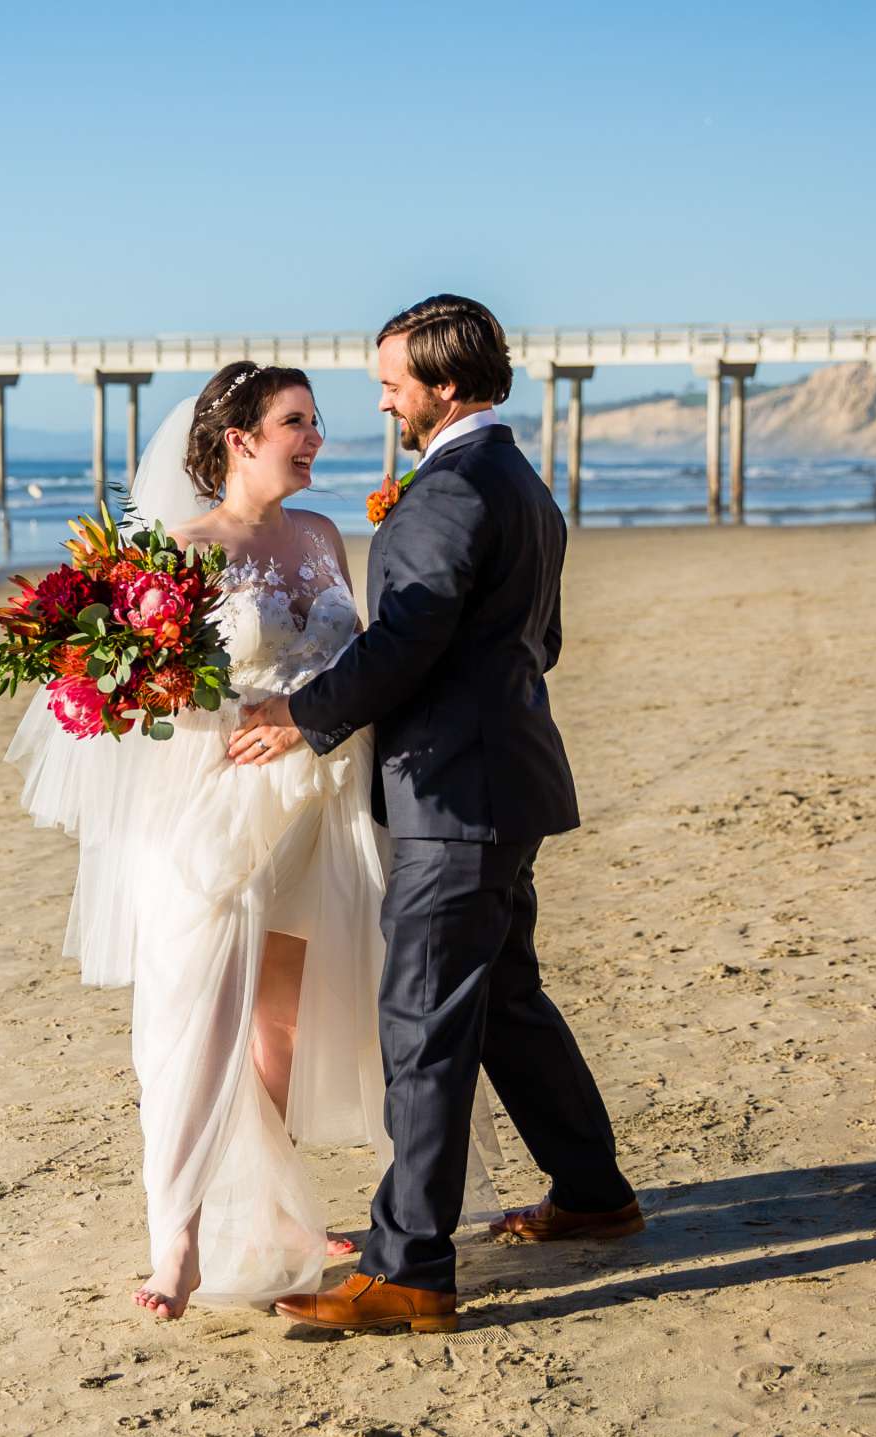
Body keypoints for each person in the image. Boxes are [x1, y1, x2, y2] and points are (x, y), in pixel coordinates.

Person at [5, 362, 501, 1321]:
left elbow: (353, 658)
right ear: (238, 441)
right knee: (196, 1020)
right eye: (295, 423)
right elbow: (137, 696)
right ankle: (178, 1240)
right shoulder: (180, 552)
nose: (315, 439)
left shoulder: (321, 536)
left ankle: (276, 1216)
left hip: (322, 802)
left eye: (316, 422)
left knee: (282, 1020)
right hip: (218, 811)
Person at [231, 295, 640, 1335]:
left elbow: (404, 641)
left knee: (424, 1023)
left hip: (454, 795)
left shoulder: (451, 491)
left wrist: (302, 714)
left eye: (391, 383)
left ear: (444, 385)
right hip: (506, 780)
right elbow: (536, 641)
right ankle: (592, 1191)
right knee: (505, 998)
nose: (381, 400)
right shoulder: (519, 480)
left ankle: (410, 1267)